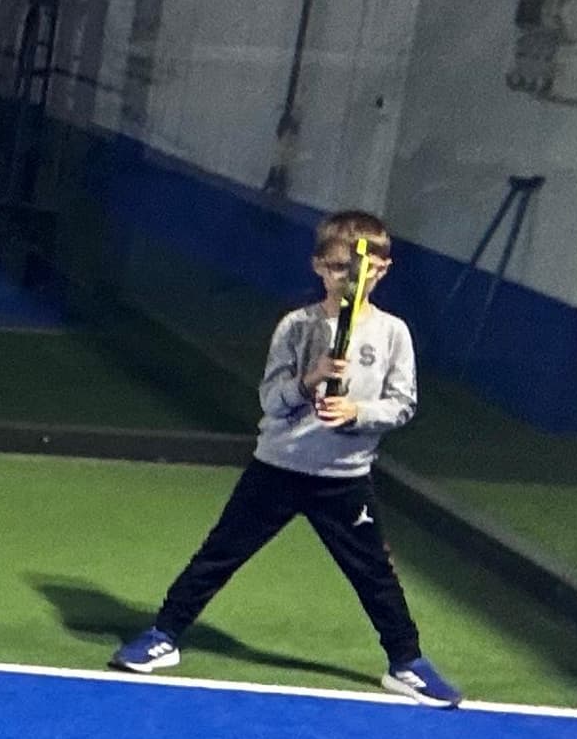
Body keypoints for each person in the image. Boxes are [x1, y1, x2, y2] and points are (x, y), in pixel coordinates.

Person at [116, 211, 460, 704]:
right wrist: (310, 379)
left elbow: (402, 405)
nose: (350, 280)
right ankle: (164, 635)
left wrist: (358, 412)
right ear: (318, 266)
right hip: (277, 469)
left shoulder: (393, 334)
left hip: (345, 480)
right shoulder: (296, 327)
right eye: (339, 268)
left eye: (363, 270)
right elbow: (271, 400)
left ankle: (405, 662)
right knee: (219, 553)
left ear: (383, 269)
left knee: (374, 575)